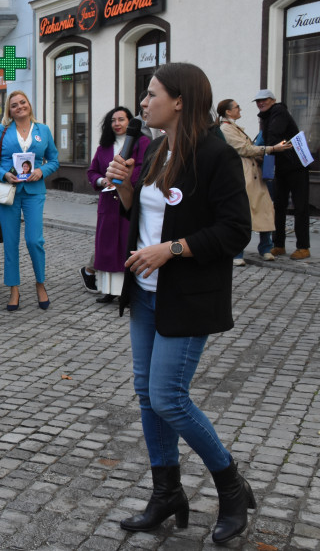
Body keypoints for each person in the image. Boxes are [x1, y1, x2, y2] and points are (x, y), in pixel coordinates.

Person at [106, 62, 254, 544]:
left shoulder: (215, 153)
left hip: (187, 295)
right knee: (149, 394)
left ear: (180, 101)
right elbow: (143, 213)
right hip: (147, 295)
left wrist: (170, 251)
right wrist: (124, 184)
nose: (143, 103)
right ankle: (166, 491)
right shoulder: (156, 148)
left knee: (169, 396)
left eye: (151, 95)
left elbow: (235, 231)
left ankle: (231, 486)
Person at [0, 90, 60, 311]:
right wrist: (4, 174)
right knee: (10, 241)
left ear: (29, 104)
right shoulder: (2, 130)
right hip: (9, 191)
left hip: (34, 191)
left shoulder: (43, 130)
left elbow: (54, 159)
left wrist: (42, 170)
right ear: (9, 110)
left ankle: (40, 283)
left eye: (23, 103)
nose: (19, 107)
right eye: (14, 105)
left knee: (35, 240)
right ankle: (14, 289)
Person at [85, 107, 150, 303]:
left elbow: (144, 167)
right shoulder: (104, 147)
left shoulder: (143, 142)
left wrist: (124, 181)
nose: (117, 124)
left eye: (122, 119)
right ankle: (109, 290)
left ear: (130, 122)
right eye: (113, 120)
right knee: (107, 247)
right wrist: (103, 181)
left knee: (125, 245)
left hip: (128, 201)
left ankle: (127, 291)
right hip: (108, 203)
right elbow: (92, 171)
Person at [218, 99, 290, 265]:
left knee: (265, 210)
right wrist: (272, 149)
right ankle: (238, 252)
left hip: (254, 174)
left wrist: (261, 154)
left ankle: (265, 248)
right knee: (244, 214)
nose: (240, 109)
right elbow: (244, 149)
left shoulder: (233, 127)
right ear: (228, 112)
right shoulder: (226, 129)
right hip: (243, 175)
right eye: (237, 107)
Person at [255, 89, 310, 260]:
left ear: (273, 100)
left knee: (300, 207)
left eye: (264, 100)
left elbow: (274, 136)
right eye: (258, 101)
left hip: (296, 167)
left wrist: (265, 150)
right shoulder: (266, 117)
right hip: (280, 168)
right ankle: (278, 244)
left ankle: (303, 247)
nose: (260, 103)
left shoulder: (279, 111)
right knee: (278, 206)